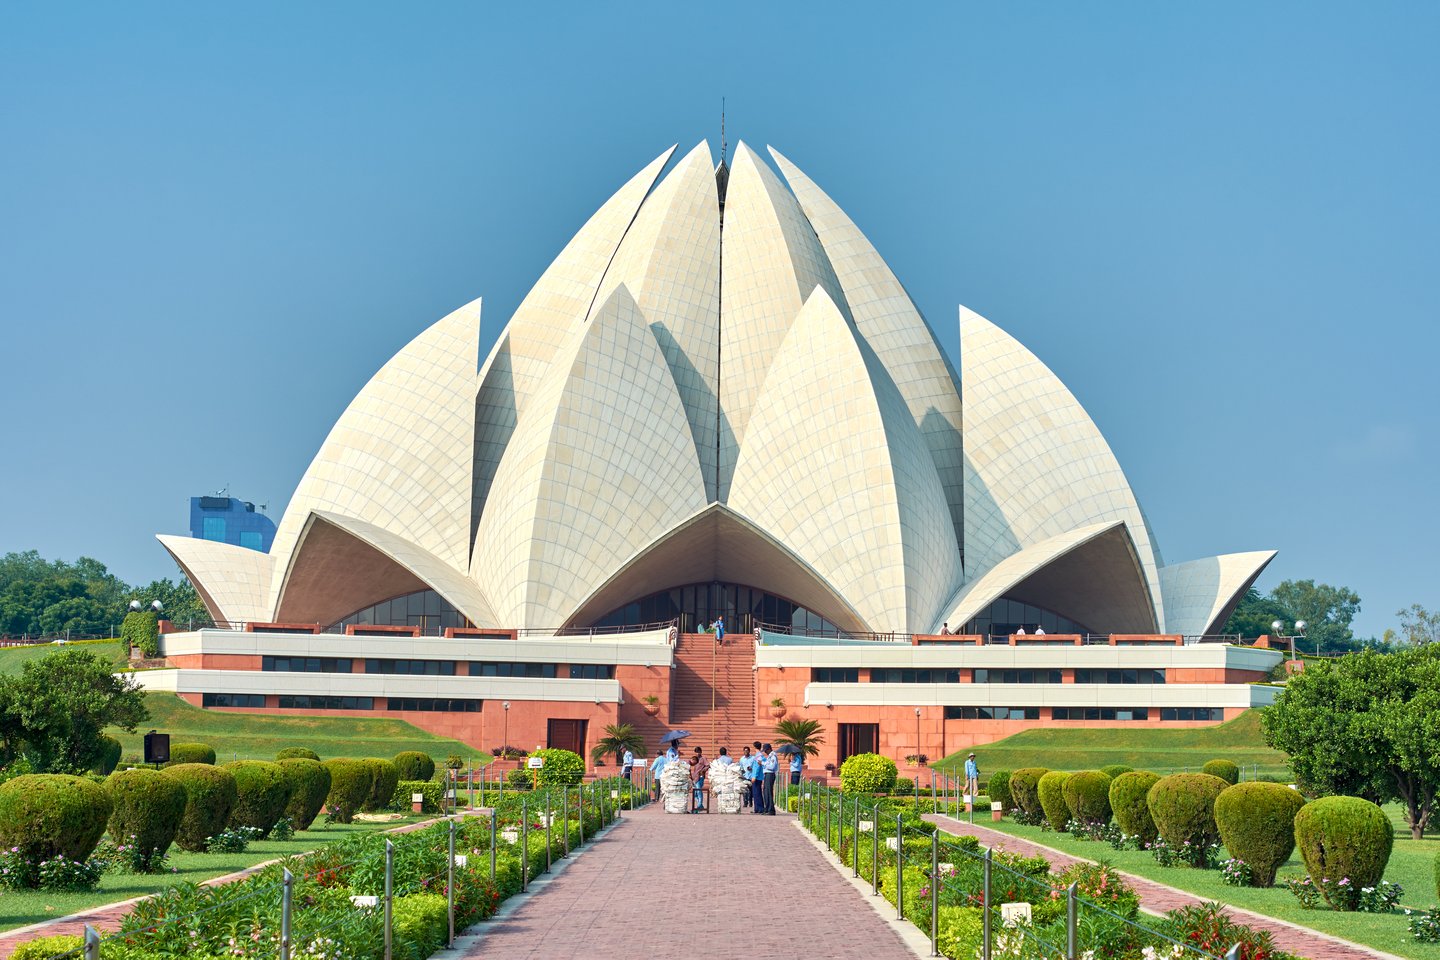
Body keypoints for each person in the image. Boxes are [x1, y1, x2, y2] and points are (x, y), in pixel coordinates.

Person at [690, 746, 710, 812]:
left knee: (699, 790)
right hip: (695, 777)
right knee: (695, 793)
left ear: (701, 752)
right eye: (696, 752)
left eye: (698, 752)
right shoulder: (695, 759)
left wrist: (703, 770)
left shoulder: (703, 759)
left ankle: (699, 805)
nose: (697, 753)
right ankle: (700, 805)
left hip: (700, 777)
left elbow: (708, 765)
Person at [760, 743, 779, 815]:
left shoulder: (773, 756)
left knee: (768, 792)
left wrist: (763, 763)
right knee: (765, 792)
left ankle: (771, 809)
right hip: (767, 774)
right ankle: (767, 808)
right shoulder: (769, 756)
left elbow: (772, 767)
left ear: (769, 749)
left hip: (770, 774)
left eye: (766, 750)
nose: (765, 752)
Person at [750, 741, 765, 812]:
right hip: (756, 775)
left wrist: (754, 776)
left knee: (757, 792)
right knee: (755, 793)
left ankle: (760, 808)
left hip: (757, 777)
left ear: (754, 747)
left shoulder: (759, 755)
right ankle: (756, 808)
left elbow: (758, 766)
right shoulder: (758, 755)